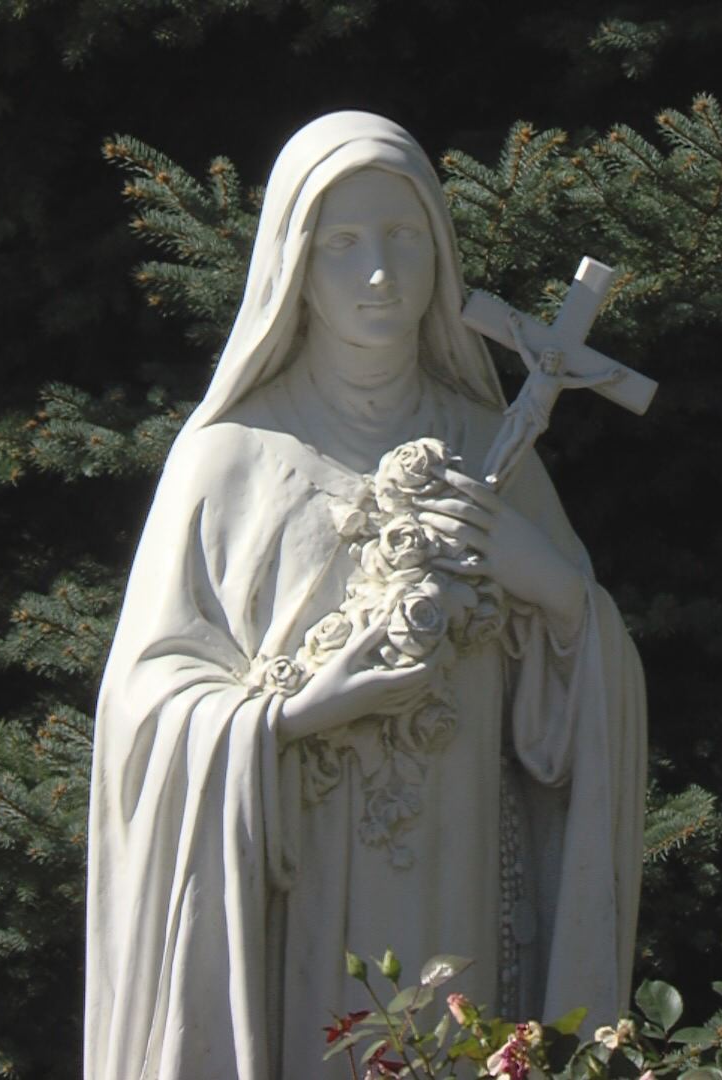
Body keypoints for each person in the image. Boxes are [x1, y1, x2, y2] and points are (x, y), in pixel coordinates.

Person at [83, 111, 645, 1080]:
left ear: (439, 251)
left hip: (458, 866)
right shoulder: (229, 460)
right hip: (295, 887)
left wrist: (550, 587)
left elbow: (570, 734)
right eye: (343, 244)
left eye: (403, 238)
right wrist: (297, 713)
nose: (378, 271)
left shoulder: (486, 445)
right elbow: (144, 711)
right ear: (293, 263)